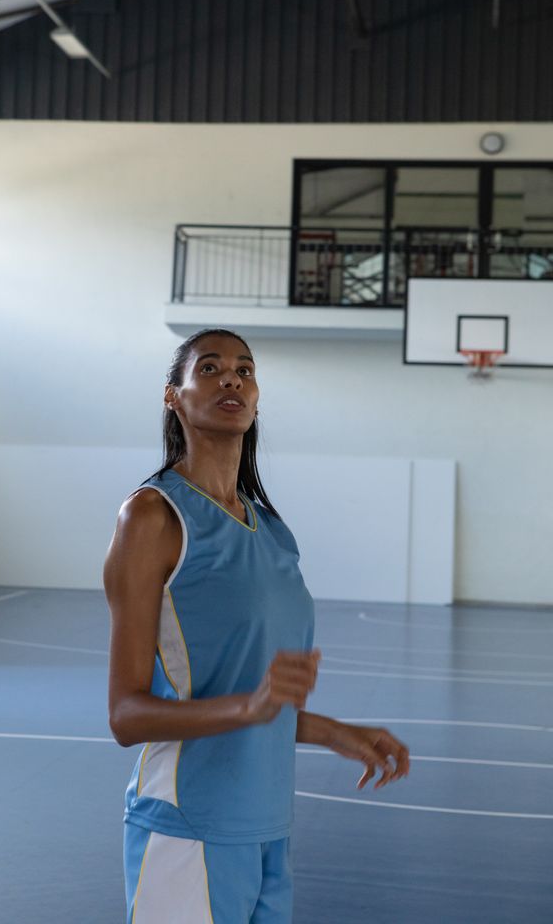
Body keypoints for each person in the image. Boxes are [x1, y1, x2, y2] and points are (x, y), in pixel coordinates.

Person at [104, 328, 410, 923]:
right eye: (211, 368)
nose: (231, 379)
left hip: (268, 826)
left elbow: (251, 696)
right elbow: (126, 715)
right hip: (189, 824)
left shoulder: (270, 530)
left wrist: (330, 731)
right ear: (174, 396)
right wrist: (250, 707)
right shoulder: (152, 516)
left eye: (245, 370)